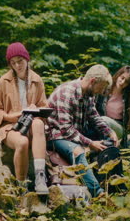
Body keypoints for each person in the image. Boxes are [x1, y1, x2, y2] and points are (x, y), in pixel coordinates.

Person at [46, 64, 118, 197]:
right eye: (100, 88)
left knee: (107, 143)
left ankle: (114, 186)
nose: (100, 92)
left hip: (75, 132)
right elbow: (66, 129)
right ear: (92, 81)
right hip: (55, 135)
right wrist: (90, 143)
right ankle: (98, 193)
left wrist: (110, 132)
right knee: (78, 152)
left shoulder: (89, 94)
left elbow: (94, 116)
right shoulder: (67, 93)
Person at [0, 42, 49, 194]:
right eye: (13, 62)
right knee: (22, 143)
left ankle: (40, 177)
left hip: (31, 124)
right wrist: (9, 117)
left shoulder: (37, 80)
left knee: (37, 124)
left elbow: (45, 108)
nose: (17, 65)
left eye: (20, 61)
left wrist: (37, 110)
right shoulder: (3, 81)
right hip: (10, 127)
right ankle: (21, 186)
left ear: (27, 59)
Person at [93, 66, 130, 147]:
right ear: (118, 75)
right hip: (101, 126)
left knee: (104, 120)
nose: (122, 82)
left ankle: (108, 149)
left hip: (118, 126)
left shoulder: (128, 96)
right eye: (122, 78)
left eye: (126, 81)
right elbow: (94, 108)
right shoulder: (104, 89)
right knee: (101, 121)